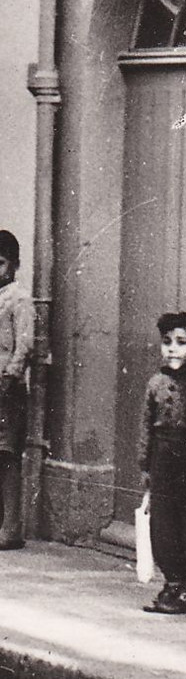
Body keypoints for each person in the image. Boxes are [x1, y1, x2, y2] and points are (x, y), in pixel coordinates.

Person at [139, 311, 186, 614]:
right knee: (162, 520)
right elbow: (146, 426)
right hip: (162, 458)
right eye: (167, 342)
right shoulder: (156, 383)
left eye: (182, 342)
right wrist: (145, 465)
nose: (173, 349)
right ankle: (171, 581)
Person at [0, 231, 34, 550]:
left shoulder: (19, 299)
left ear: (14, 265)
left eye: (0, 263)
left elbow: (24, 344)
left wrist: (10, 378)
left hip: (6, 389)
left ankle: (11, 528)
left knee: (7, 455)